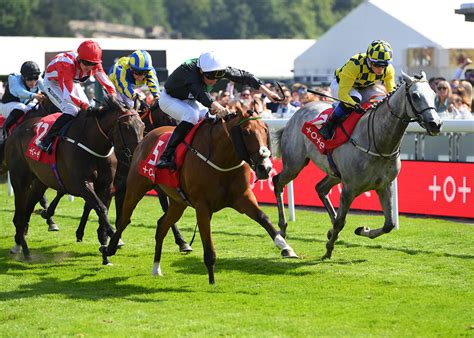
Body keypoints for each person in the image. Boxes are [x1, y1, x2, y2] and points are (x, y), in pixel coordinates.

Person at [155, 51, 282, 169]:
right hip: (169, 99)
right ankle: (166, 155)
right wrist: (220, 108)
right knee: (192, 116)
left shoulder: (214, 69)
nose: (214, 80)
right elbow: (202, 95)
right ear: (200, 71)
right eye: (211, 76)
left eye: (218, 76)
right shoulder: (190, 73)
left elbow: (245, 77)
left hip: (189, 100)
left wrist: (268, 92)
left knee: (209, 117)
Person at [38, 40, 116, 153]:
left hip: (71, 82)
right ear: (79, 58)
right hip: (53, 84)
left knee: (85, 111)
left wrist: (113, 97)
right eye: (86, 62)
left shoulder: (96, 65)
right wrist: (84, 106)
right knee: (72, 110)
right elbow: (68, 95)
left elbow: (107, 83)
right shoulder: (66, 65)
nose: (89, 67)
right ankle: (46, 141)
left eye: (92, 64)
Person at [319, 40, 396, 140]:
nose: (380, 69)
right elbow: (343, 94)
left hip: (364, 87)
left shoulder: (389, 70)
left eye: (384, 65)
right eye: (377, 65)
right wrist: (354, 104)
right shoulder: (355, 65)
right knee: (356, 98)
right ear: (369, 60)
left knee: (381, 98)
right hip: (340, 85)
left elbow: (392, 92)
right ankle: (329, 125)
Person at [0, 61, 46, 136]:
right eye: (29, 79)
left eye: (35, 78)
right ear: (23, 77)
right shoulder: (13, 78)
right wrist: (35, 95)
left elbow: (47, 89)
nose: (33, 82)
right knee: (22, 107)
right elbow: (19, 92)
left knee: (36, 107)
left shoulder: (39, 80)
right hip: (6, 106)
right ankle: (3, 131)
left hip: (23, 105)